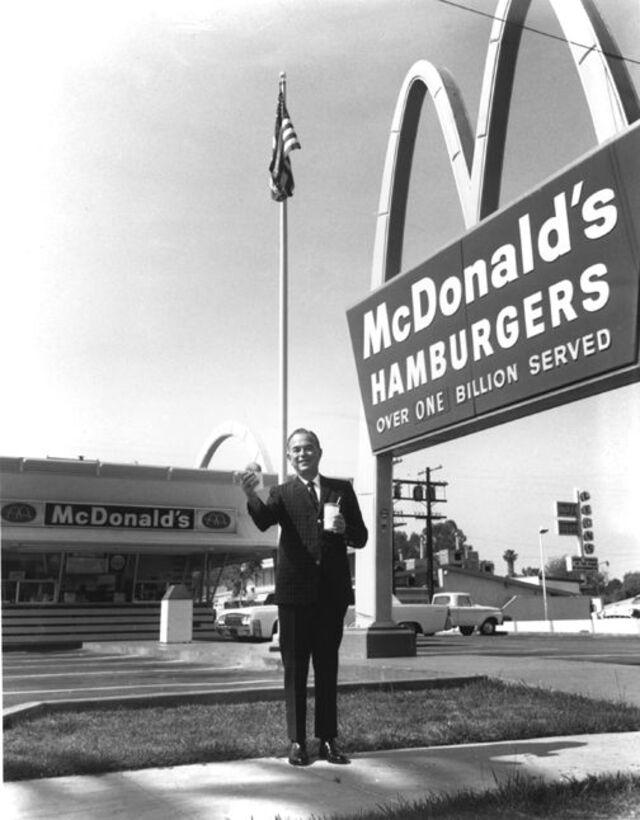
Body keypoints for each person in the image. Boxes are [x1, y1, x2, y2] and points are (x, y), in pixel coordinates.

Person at [240, 428, 368, 766]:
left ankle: (327, 740)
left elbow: (362, 537)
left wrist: (346, 529)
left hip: (331, 593)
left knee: (327, 666)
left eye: (308, 448)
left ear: (319, 452)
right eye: (296, 450)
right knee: (295, 668)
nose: (302, 454)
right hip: (294, 593)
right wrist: (251, 494)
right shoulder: (282, 493)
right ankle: (297, 742)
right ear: (289, 457)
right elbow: (263, 520)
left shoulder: (342, 490)